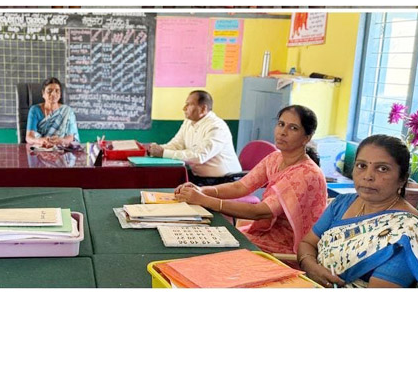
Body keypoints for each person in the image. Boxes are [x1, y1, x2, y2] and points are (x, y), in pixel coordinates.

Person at [175, 104, 327, 255]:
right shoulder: (275, 158)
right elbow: (241, 186)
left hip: (288, 247)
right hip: (264, 234)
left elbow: (260, 212)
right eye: (281, 124)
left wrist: (204, 200)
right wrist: (202, 190)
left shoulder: (307, 173)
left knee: (207, 248)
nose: (283, 132)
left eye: (293, 128)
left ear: (306, 138)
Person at [298, 135, 418, 288]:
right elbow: (307, 243)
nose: (368, 176)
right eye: (362, 166)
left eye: (382, 169)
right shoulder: (341, 203)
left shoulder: (407, 232)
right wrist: (310, 266)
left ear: (402, 178)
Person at [148, 90, 241, 186]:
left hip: (223, 181)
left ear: (203, 109)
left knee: (177, 188)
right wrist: (156, 149)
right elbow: (177, 144)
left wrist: (163, 153)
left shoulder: (217, 127)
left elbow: (199, 156)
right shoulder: (189, 122)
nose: (184, 108)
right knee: (165, 180)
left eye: (189, 105)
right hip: (199, 178)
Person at [25, 77, 80, 148]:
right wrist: (41, 141)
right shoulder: (35, 110)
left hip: (61, 149)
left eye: (57, 91)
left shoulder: (67, 111)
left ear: (60, 94)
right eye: (49, 91)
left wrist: (61, 140)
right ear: (43, 93)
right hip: (40, 149)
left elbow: (71, 137)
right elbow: (29, 137)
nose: (53, 94)